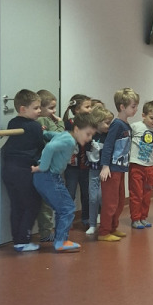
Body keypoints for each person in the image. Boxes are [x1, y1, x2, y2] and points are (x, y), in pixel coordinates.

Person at [32, 113, 97, 251]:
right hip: (48, 176)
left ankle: (60, 240)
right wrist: (42, 167)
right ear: (77, 129)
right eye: (88, 134)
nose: (90, 138)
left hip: (47, 178)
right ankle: (61, 241)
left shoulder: (64, 135)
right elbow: (49, 147)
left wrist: (43, 133)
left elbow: (50, 135)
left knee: (64, 208)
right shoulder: (69, 141)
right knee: (67, 208)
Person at [0, 89, 44, 252]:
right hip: (23, 170)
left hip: (9, 169)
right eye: (36, 108)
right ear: (23, 109)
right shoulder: (35, 126)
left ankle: (18, 240)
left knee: (17, 205)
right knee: (33, 204)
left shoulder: (12, 123)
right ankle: (23, 240)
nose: (39, 111)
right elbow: (41, 146)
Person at [97, 87, 139, 242]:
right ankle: (104, 232)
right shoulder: (116, 124)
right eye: (133, 106)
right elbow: (108, 145)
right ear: (122, 107)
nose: (135, 109)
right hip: (112, 169)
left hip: (120, 169)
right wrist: (105, 165)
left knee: (120, 201)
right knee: (110, 202)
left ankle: (113, 227)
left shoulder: (126, 125)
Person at [35, 90, 66, 242]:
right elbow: (60, 136)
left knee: (48, 201)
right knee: (46, 202)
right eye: (51, 108)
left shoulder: (47, 120)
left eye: (55, 108)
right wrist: (60, 123)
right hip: (46, 166)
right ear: (41, 108)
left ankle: (47, 230)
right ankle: (46, 232)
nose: (54, 111)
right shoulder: (42, 121)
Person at [129, 100, 153, 228]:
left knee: (146, 194)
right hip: (136, 166)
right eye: (152, 118)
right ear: (143, 115)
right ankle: (135, 218)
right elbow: (125, 141)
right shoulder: (135, 127)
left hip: (149, 168)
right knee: (136, 193)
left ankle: (143, 217)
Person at [83, 105, 113, 236]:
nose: (109, 126)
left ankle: (106, 223)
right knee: (93, 198)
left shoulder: (108, 136)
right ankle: (92, 224)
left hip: (104, 171)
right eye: (107, 123)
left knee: (102, 197)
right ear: (98, 122)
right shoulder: (91, 135)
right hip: (93, 170)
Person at [63, 94, 92, 222]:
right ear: (77, 110)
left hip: (86, 165)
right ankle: (67, 221)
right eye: (87, 107)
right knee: (70, 193)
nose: (90, 109)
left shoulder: (90, 124)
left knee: (87, 193)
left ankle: (86, 218)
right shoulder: (69, 124)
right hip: (72, 167)